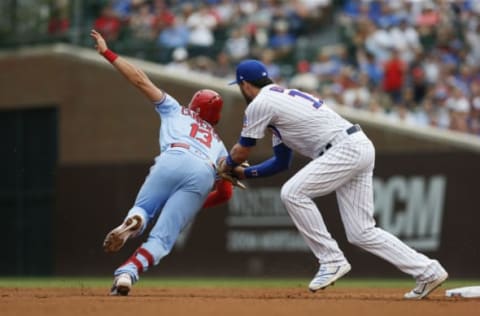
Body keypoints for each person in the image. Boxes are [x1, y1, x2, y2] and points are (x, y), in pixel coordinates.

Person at [218, 59, 448, 300]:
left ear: (244, 85)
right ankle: (428, 271)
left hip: (343, 149)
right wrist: (244, 173)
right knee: (362, 232)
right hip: (357, 145)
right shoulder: (280, 102)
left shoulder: (261, 103)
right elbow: (281, 162)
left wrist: (227, 165)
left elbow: (242, 150)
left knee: (292, 193)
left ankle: (331, 260)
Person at [90, 29, 233, 296]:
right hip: (204, 170)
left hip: (174, 155)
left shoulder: (176, 109)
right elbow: (225, 193)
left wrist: (108, 53)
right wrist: (197, 201)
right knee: (163, 238)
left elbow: (141, 80)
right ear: (217, 118)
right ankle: (127, 273)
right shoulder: (220, 146)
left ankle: (134, 221)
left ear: (194, 106)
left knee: (144, 208)